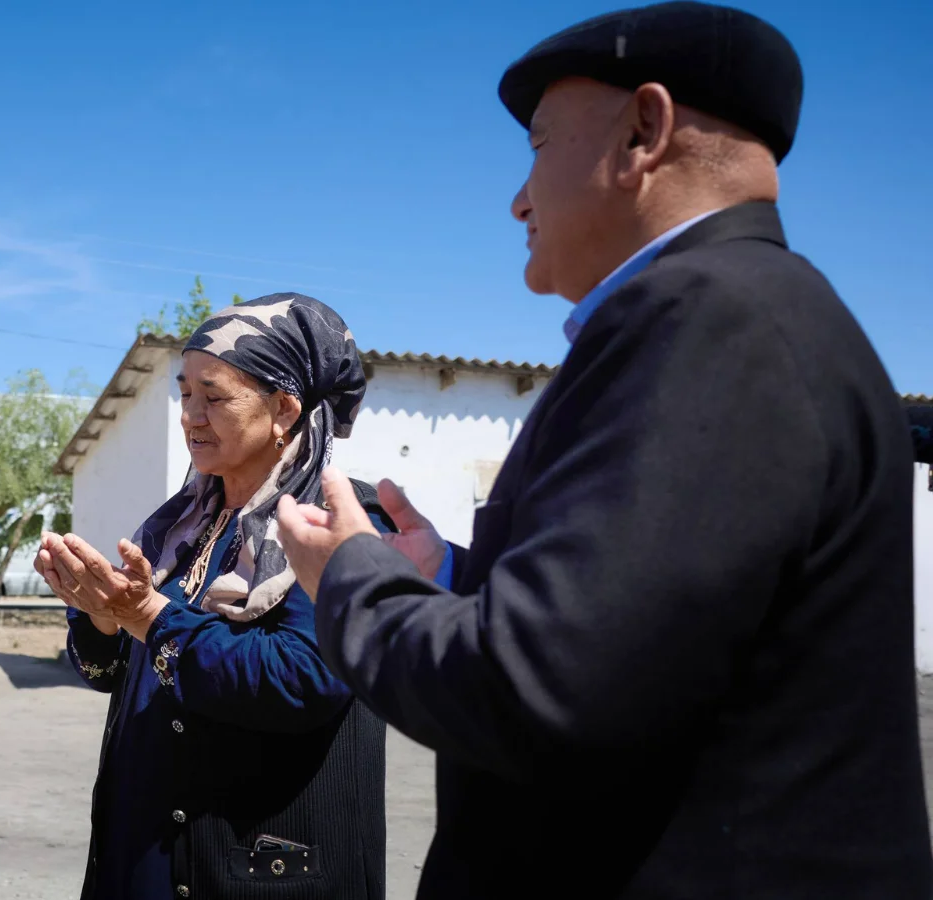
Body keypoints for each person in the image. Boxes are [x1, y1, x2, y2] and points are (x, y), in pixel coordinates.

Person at [276, 4, 933, 898]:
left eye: (540, 146)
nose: (518, 199)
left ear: (642, 132)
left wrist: (348, 576)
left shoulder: (709, 321)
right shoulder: (746, 310)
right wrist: (451, 579)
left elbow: (536, 691)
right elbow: (640, 641)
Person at [36, 294, 394, 900]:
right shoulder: (180, 528)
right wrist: (102, 621)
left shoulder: (340, 524)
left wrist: (147, 615)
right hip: (145, 856)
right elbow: (117, 674)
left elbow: (301, 680)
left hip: (258, 871)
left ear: (284, 408)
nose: (191, 417)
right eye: (184, 395)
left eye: (214, 397)